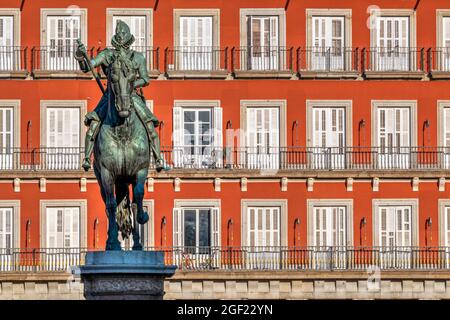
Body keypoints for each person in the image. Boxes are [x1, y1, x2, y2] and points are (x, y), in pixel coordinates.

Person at [74, 20, 164, 172]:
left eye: (123, 34)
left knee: (149, 124)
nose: (121, 37)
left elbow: (145, 79)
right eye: (119, 34)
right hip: (110, 96)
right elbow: (88, 67)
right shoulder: (107, 54)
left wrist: (129, 86)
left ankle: (158, 157)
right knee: (94, 123)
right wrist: (82, 57)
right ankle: (87, 157)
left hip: (132, 96)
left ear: (129, 38)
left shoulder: (138, 57)